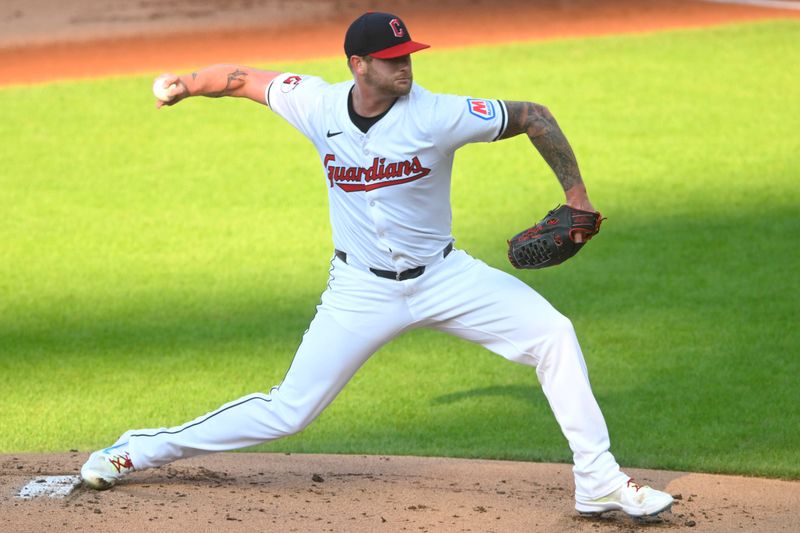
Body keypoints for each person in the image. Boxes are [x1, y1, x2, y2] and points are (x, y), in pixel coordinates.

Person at [81, 12, 673, 518]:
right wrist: (184, 83)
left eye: (409, 55)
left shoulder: (438, 113)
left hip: (446, 278)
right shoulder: (316, 104)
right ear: (359, 65)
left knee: (554, 335)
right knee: (290, 410)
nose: (406, 68)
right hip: (359, 291)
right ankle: (138, 448)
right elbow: (241, 80)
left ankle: (597, 483)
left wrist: (577, 197)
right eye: (392, 59)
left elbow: (534, 115)